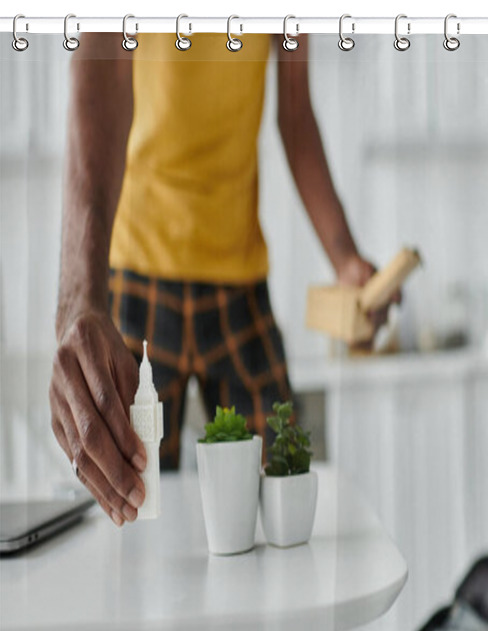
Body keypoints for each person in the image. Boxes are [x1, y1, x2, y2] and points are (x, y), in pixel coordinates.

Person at [49, 32, 391, 528]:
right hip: (140, 273)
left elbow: (295, 114)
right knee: (126, 501)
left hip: (239, 281)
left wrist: (346, 261)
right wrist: (80, 300)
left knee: (284, 488)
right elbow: (100, 68)